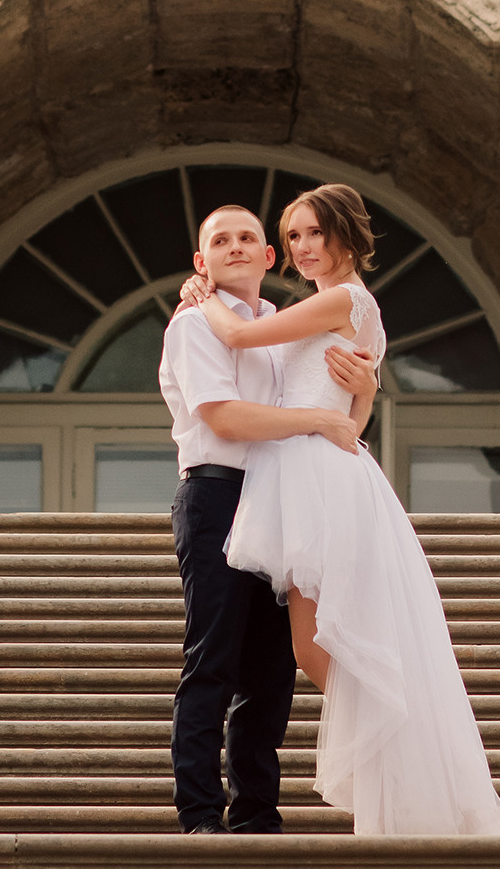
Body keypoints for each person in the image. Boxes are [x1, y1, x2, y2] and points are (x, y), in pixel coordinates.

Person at [181, 183, 500, 836]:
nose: (303, 247)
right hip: (299, 475)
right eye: (295, 235)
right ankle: (408, 748)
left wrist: (202, 298)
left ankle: (409, 744)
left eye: (313, 233)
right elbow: (348, 414)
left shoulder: (341, 299)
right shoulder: (336, 306)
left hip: (316, 481)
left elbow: (244, 338)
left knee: (321, 643)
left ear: (343, 234)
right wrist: (365, 397)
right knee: (311, 646)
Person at [158, 203, 380, 836]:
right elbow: (225, 418)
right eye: (219, 241)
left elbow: (324, 395)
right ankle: (200, 816)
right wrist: (316, 420)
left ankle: (258, 815)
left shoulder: (281, 326)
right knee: (213, 660)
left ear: (267, 257)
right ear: (201, 262)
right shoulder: (194, 325)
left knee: (271, 672)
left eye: (247, 238)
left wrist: (364, 385)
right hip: (217, 497)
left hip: (282, 500)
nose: (234, 247)